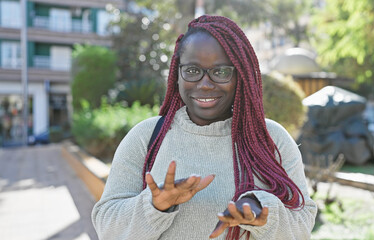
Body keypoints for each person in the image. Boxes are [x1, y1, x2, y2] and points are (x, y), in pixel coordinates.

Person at [92, 15, 317, 240]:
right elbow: (107, 229)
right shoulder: (146, 137)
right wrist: (155, 206)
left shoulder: (272, 139)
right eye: (192, 71)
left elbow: (302, 226)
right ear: (176, 74)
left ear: (241, 76)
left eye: (220, 72)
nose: (205, 84)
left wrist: (263, 211)